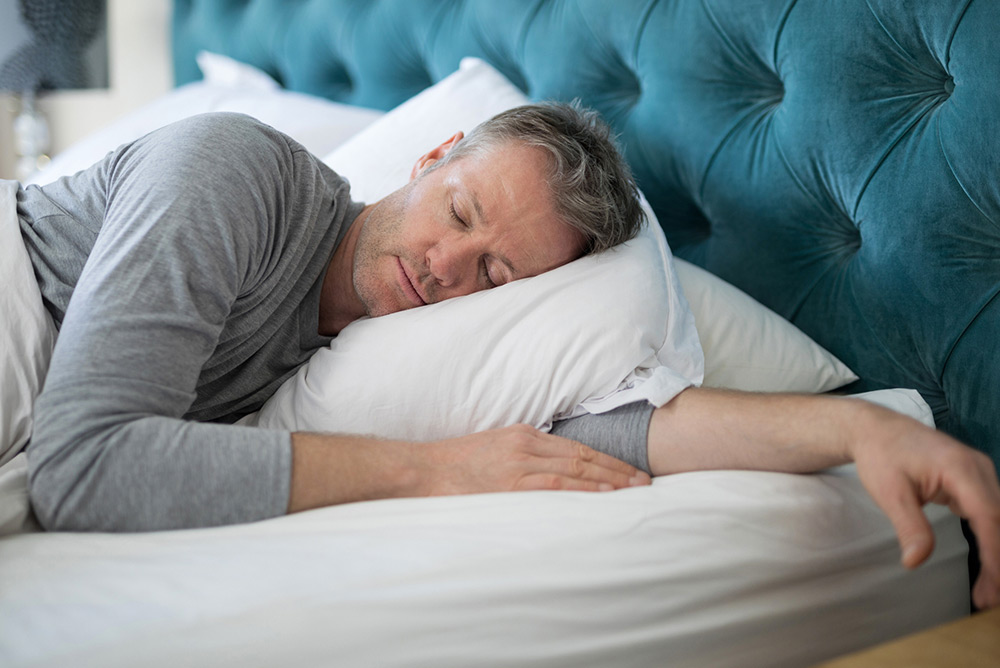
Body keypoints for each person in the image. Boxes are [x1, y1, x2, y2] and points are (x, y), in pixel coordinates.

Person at [16, 104, 1000, 610]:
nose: (446, 267)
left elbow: (617, 431)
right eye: (459, 211)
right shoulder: (234, 172)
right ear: (431, 156)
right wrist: (434, 470)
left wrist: (858, 426)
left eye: (495, 271)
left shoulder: (381, 359)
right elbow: (84, 465)